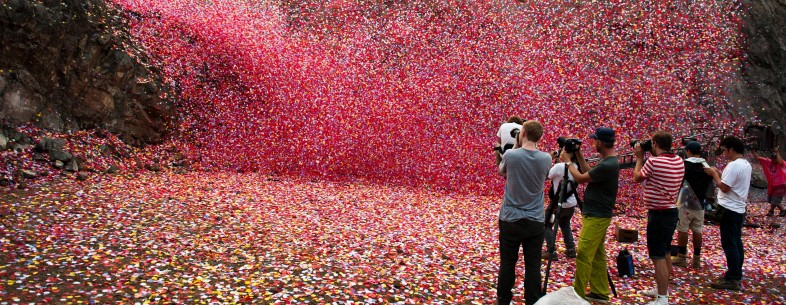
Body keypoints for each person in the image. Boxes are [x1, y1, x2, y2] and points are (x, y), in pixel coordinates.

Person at [496, 120, 552, 305]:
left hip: (510, 218)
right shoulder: (546, 158)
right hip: (535, 220)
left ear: (523, 133)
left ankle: (503, 300)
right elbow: (543, 177)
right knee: (533, 265)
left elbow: (502, 171)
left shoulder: (511, 155)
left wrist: (516, 146)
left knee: (508, 263)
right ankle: (532, 300)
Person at [565, 127, 619, 303]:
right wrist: (578, 155)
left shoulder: (608, 164)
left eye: (595, 140)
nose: (593, 143)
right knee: (596, 254)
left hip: (597, 216)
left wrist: (568, 162)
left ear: (601, 143)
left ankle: (577, 293)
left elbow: (580, 178)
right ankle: (600, 291)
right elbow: (588, 172)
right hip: (597, 213)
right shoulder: (607, 162)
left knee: (583, 253)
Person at [633, 131, 685, 305]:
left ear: (654, 143)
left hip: (659, 214)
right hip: (671, 212)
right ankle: (661, 289)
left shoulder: (653, 162)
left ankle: (662, 298)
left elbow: (637, 177)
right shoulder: (678, 161)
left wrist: (640, 157)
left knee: (657, 256)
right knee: (665, 251)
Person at [704, 136, 751, 291]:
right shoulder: (746, 164)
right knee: (736, 241)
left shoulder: (734, 165)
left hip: (729, 209)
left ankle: (733, 277)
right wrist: (719, 172)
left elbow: (724, 187)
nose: (724, 153)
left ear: (731, 149)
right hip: (739, 209)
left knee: (729, 243)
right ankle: (735, 272)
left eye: (724, 150)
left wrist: (714, 175)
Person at [673, 141, 713, 268]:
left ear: (688, 151)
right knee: (697, 230)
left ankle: (682, 257)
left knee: (682, 229)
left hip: (685, 202)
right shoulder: (706, 166)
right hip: (701, 202)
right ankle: (696, 259)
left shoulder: (684, 165)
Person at [543, 149, 579, 260]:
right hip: (571, 203)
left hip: (558, 204)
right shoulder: (576, 167)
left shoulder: (558, 167)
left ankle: (551, 250)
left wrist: (552, 160)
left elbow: (546, 176)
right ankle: (571, 249)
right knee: (565, 223)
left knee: (546, 224)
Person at [752, 147, 786, 217]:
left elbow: (780, 161)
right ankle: (773, 211)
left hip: (780, 184)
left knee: (775, 200)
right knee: (771, 199)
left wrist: (777, 152)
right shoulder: (769, 162)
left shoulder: (781, 164)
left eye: (775, 158)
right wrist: (753, 152)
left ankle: (781, 210)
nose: (774, 160)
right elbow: (759, 158)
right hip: (772, 185)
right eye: (773, 159)